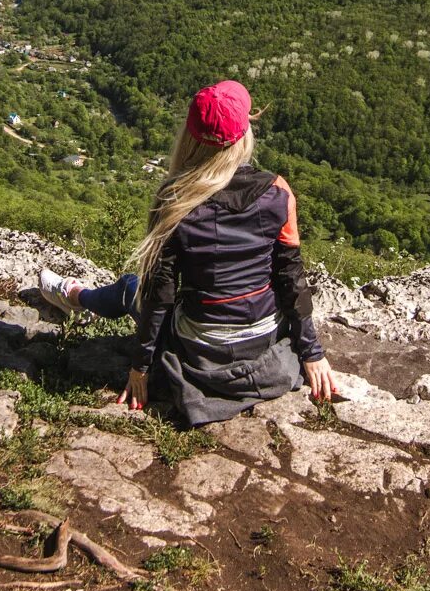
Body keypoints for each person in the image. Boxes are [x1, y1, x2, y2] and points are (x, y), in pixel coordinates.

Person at [39, 79, 336, 425]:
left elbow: (159, 296)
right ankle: (76, 296)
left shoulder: (175, 200)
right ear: (244, 135)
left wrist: (141, 366)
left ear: (190, 137)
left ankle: (75, 296)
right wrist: (311, 353)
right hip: (263, 346)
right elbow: (291, 279)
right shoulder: (278, 192)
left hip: (201, 352)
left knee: (132, 288)